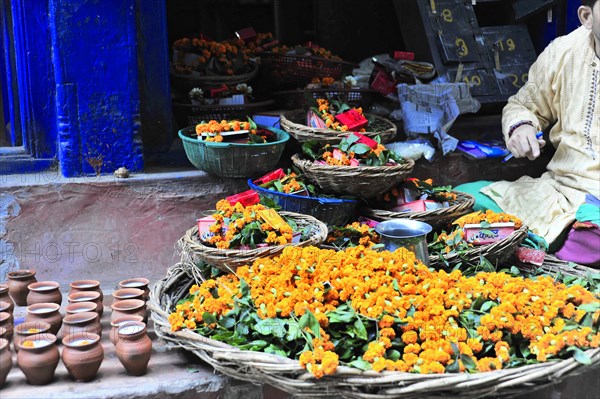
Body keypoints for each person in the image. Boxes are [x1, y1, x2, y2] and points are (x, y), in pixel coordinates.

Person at [456, 0, 600, 266]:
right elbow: (523, 105)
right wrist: (521, 127)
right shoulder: (564, 52)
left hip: (597, 209)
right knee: (464, 198)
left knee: (595, 237)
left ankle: (546, 240)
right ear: (586, 17)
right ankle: (558, 240)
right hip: (561, 190)